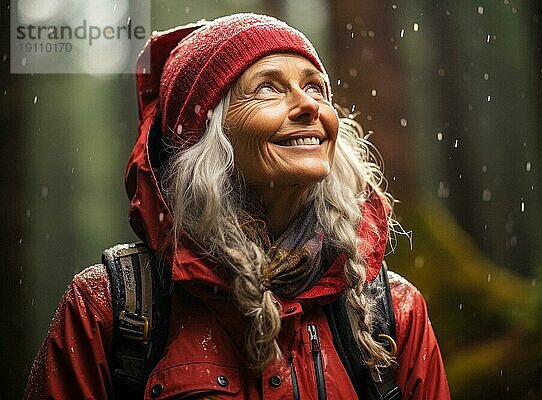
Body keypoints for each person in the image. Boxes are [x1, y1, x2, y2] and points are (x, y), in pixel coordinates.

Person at [25, 13, 451, 399]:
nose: (310, 106)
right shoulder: (111, 308)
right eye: (267, 87)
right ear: (206, 137)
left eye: (315, 87)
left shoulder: (391, 312)